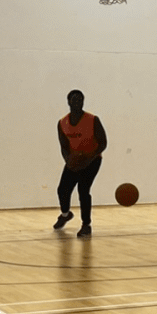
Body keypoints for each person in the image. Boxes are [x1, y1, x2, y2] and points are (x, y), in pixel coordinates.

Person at [54, 89, 107, 239]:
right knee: (62, 190)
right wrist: (69, 161)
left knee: (83, 190)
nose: (78, 102)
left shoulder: (93, 120)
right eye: (74, 100)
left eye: (80, 100)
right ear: (68, 102)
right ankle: (66, 214)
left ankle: (86, 225)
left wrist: (89, 158)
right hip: (74, 161)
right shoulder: (62, 123)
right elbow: (64, 146)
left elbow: (103, 143)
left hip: (92, 160)